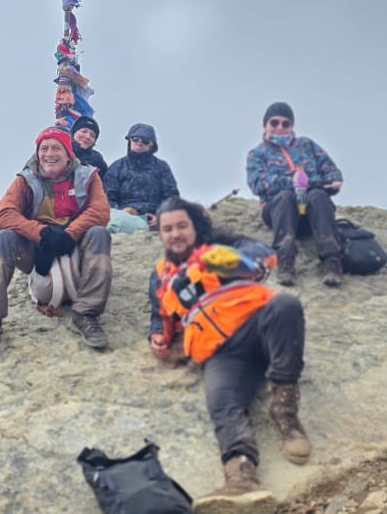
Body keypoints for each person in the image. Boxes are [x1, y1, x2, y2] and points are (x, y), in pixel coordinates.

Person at [149, 197, 310, 510]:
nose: (175, 234)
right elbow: (160, 312)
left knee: (285, 305)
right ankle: (242, 477)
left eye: (182, 225)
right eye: (167, 229)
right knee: (222, 401)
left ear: (195, 226)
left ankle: (285, 412)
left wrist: (216, 263)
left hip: (257, 324)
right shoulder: (161, 273)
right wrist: (158, 336)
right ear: (160, 234)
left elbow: (263, 258)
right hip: (220, 351)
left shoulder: (221, 245)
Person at [0, 126, 112, 352]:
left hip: (75, 246)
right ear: (37, 153)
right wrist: (42, 234)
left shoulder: (88, 176)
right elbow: (4, 214)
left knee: (100, 233)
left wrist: (69, 234)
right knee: (4, 237)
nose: (49, 153)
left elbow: (100, 211)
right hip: (37, 251)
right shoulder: (25, 179)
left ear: (69, 153)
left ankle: (86, 313)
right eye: (44, 148)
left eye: (56, 147)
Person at [246, 101, 344, 287]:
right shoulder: (257, 154)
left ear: (292, 126)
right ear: (265, 125)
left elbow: (332, 171)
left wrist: (330, 183)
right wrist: (293, 180)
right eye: (274, 122)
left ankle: (332, 262)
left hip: (312, 213)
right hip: (279, 212)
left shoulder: (307, 145)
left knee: (318, 195)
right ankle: (285, 263)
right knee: (285, 197)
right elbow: (258, 184)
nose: (280, 127)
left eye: (286, 123)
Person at [103, 123, 179, 234]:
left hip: (156, 220)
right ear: (129, 141)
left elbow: (171, 197)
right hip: (123, 217)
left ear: (152, 145)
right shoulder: (117, 167)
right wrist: (123, 212)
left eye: (145, 141)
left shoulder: (161, 167)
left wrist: (160, 216)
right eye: (135, 139)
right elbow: (107, 197)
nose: (139, 143)